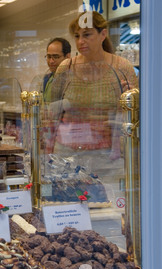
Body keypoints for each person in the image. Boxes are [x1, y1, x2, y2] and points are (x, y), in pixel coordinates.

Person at [45, 11, 138, 189]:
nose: (81, 41)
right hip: (67, 157)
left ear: (103, 34)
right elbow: (52, 114)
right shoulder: (67, 67)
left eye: (87, 35)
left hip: (107, 159)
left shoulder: (122, 68)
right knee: (69, 210)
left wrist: (130, 99)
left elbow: (135, 117)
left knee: (108, 213)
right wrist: (47, 155)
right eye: (77, 36)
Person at [43, 38, 72, 102]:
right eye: (49, 57)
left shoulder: (74, 80)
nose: (51, 61)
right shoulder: (46, 79)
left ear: (67, 57)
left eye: (56, 57)